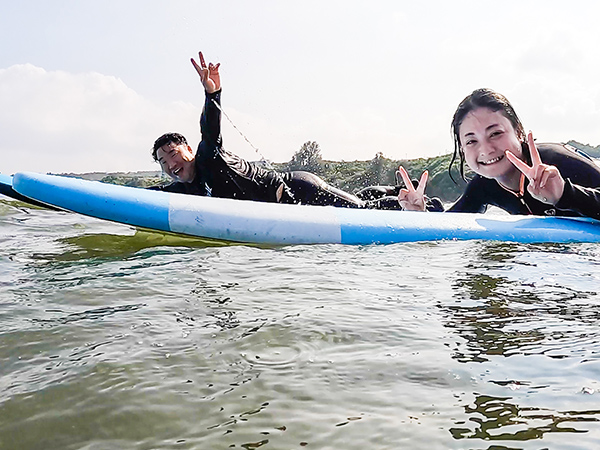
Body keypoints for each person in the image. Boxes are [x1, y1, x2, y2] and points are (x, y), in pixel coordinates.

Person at [150, 51, 365, 209]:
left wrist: (212, 94)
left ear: (188, 150)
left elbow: (210, 129)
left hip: (299, 191)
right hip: (284, 213)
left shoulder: (208, 156)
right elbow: (146, 196)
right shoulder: (184, 188)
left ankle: (385, 203)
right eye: (163, 162)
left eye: (173, 154)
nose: (171, 165)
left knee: (363, 211)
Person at [396, 88, 600, 219]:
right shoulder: (484, 185)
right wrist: (420, 213)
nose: (486, 149)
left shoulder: (559, 161)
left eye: (495, 134)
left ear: (518, 132)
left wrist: (564, 193)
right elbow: (453, 222)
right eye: (471, 141)